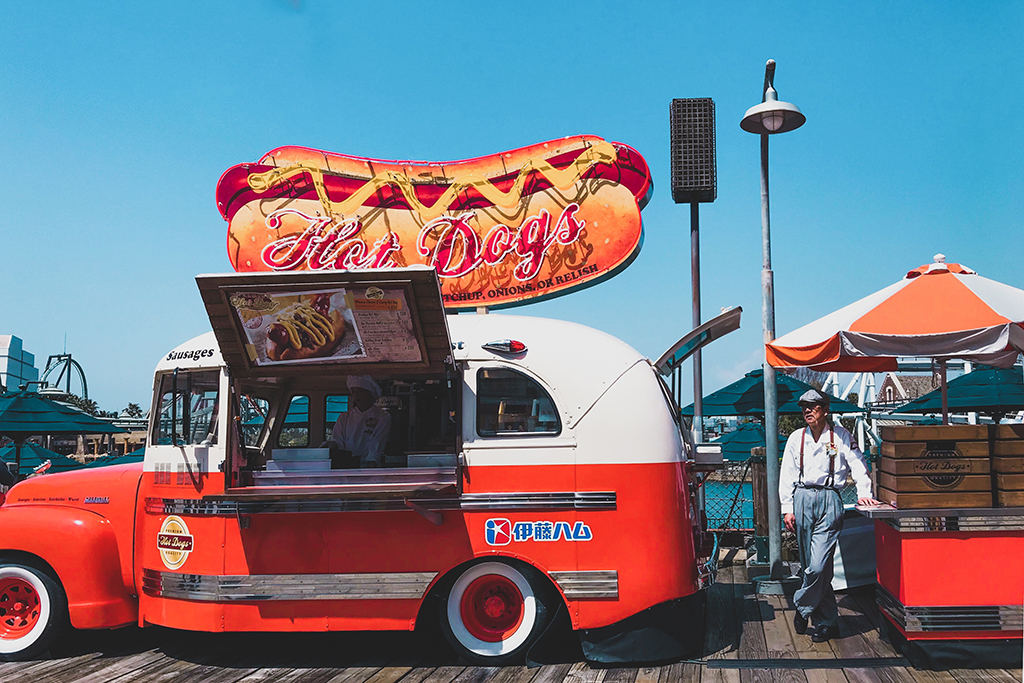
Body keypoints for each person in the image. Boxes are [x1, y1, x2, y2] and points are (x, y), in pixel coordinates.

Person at [779, 389, 881, 643]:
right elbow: (786, 474)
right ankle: (827, 623)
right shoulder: (796, 438)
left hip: (829, 499)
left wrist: (863, 492)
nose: (807, 410)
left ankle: (803, 607)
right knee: (810, 565)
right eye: (804, 406)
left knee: (818, 565)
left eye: (813, 406)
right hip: (801, 499)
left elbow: (858, 463)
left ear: (825, 409)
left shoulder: (841, 435)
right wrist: (787, 508)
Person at [321, 375, 392, 468]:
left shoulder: (383, 416)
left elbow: (378, 442)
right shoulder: (344, 417)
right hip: (347, 465)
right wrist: (330, 445)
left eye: (360, 391)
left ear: (369, 393)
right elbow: (338, 440)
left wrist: (372, 464)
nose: (356, 395)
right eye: (353, 391)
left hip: (369, 465)